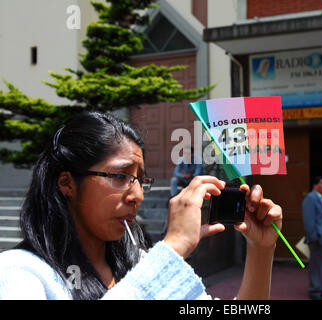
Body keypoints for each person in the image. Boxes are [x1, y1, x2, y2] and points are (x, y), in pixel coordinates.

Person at [0, 111, 282, 300]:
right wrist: (173, 247)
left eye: (140, 180)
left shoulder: (141, 264)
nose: (138, 195)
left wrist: (261, 249)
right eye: (121, 176)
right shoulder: (21, 272)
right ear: (67, 183)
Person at [302, 176, 322, 300]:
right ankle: (315, 291)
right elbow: (309, 220)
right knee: (316, 265)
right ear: (315, 185)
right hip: (317, 238)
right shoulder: (311, 198)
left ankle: (321, 288)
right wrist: (314, 236)